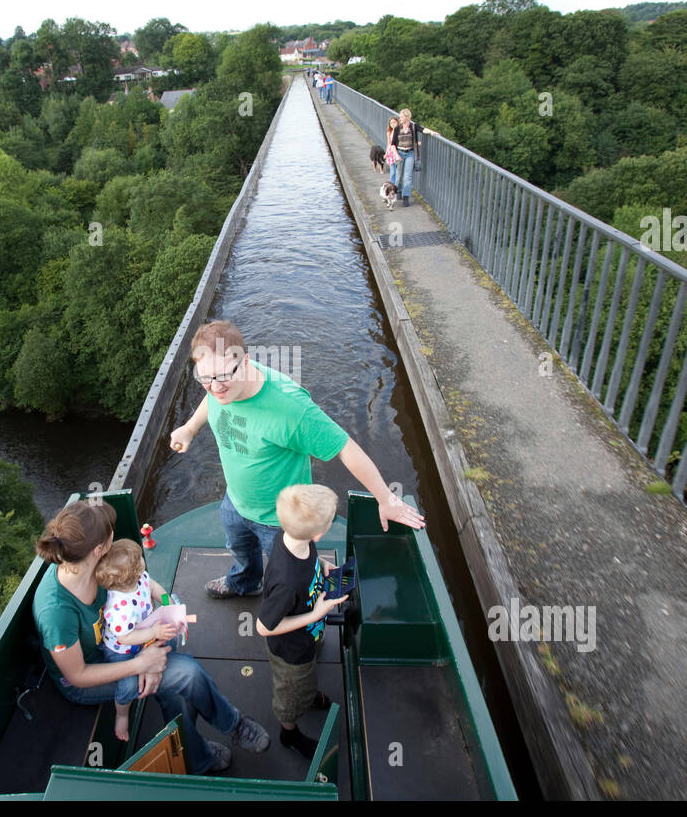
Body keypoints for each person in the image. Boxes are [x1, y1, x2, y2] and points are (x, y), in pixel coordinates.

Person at [169, 319, 424, 599]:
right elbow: (212, 399)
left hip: (281, 521)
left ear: (244, 362)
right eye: (204, 378)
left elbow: (344, 447)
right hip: (236, 503)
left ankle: (308, 609)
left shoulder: (290, 408)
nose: (214, 387)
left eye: (221, 377)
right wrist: (190, 428)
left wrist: (386, 499)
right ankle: (244, 582)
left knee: (295, 578)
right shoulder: (221, 387)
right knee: (240, 551)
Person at [32, 499, 270, 773]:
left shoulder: (97, 564)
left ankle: (196, 754)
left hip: (127, 646)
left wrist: (154, 648)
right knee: (187, 673)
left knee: (172, 686)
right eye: (111, 532)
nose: (114, 535)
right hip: (92, 674)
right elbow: (78, 676)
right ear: (99, 549)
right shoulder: (56, 611)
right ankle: (231, 727)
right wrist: (143, 664)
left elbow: (143, 595)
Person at [256, 484, 348, 758]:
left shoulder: (294, 537)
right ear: (319, 532)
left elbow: (308, 561)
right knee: (292, 694)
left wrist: (322, 568)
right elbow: (263, 626)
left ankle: (309, 694)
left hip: (309, 637)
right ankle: (289, 732)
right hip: (292, 652)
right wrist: (315, 615)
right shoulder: (287, 581)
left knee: (307, 679)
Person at [95, 537, 178, 742]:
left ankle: (161, 658)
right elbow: (124, 637)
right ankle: (122, 714)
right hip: (122, 650)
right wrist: (153, 633)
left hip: (145, 630)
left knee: (173, 621)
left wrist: (167, 601)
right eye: (140, 560)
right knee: (129, 686)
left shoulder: (140, 579)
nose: (143, 561)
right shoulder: (119, 608)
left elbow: (153, 587)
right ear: (132, 574)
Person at [389, 108, 438, 207]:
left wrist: (432, 132)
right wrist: (397, 155)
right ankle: (399, 190)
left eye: (402, 117)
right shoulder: (397, 128)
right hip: (400, 153)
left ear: (407, 117)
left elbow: (423, 130)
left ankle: (406, 197)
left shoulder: (414, 127)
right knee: (398, 177)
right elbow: (393, 144)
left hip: (410, 153)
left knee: (407, 176)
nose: (400, 118)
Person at [385, 116, 402, 187]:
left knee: (398, 171)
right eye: (391, 123)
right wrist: (386, 153)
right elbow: (389, 143)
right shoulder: (389, 132)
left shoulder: (400, 131)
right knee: (393, 171)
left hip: (398, 152)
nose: (393, 124)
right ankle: (392, 187)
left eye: (394, 122)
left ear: (397, 122)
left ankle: (397, 186)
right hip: (391, 153)